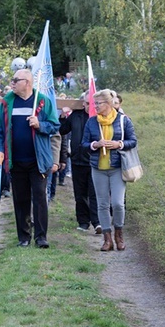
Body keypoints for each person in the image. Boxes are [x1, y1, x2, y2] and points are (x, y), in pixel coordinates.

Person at [0, 69, 60, 248]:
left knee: (40, 199)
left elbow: (54, 126)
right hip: (15, 160)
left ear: (27, 82)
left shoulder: (43, 101)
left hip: (38, 160)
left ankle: (41, 237)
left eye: (15, 80)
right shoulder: (6, 103)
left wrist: (40, 125)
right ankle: (24, 236)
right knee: (20, 199)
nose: (11, 83)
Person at [81, 88, 138, 252]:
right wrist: (95, 145)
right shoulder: (92, 122)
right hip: (98, 168)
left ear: (108, 104)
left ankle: (119, 234)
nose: (95, 106)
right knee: (102, 204)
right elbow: (83, 145)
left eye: (98, 103)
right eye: (94, 103)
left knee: (118, 203)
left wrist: (118, 144)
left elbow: (132, 141)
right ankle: (107, 239)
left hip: (117, 167)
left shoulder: (123, 120)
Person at [59, 91, 101, 233]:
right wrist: (63, 117)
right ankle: (83, 221)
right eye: (87, 103)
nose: (90, 106)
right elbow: (62, 130)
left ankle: (97, 222)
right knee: (80, 193)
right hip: (78, 160)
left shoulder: (100, 118)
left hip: (96, 161)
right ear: (83, 103)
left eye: (93, 103)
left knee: (95, 193)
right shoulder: (76, 116)